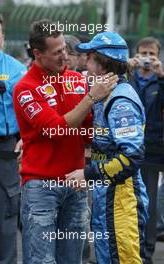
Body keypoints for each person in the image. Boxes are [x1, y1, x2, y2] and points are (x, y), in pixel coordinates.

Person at [13, 19, 118, 264]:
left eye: (65, 49)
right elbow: (55, 129)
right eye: (57, 52)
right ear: (37, 53)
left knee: (72, 260)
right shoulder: (25, 88)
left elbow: (89, 130)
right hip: (41, 188)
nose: (65, 56)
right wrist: (92, 97)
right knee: (41, 260)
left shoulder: (77, 80)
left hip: (77, 185)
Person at [66, 31, 149, 264]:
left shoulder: (120, 101)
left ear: (102, 64)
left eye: (90, 57)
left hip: (122, 198)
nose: (85, 63)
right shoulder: (104, 96)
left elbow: (131, 158)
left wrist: (88, 174)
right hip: (106, 196)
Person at [0, 11, 27, 264]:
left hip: (2, 154)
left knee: (2, 223)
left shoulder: (16, 71)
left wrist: (26, 138)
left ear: (3, 37)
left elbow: (30, 111)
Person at [128, 37, 164, 264]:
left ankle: (146, 253)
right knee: (129, 202)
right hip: (127, 148)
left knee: (148, 202)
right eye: (143, 53)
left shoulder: (160, 81)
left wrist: (162, 76)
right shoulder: (129, 79)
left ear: (159, 56)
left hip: (152, 150)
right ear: (136, 54)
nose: (148, 59)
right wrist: (126, 68)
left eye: (152, 54)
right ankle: (128, 248)